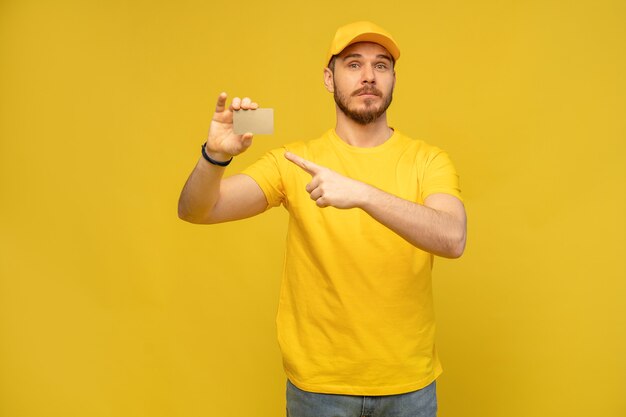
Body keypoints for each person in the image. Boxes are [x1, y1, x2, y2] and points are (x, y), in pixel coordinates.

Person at [178, 21, 466, 417]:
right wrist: (215, 156)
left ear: (394, 79)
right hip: (319, 390)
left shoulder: (428, 160)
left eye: (381, 66)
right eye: (353, 64)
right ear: (329, 79)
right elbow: (197, 210)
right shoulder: (294, 162)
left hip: (410, 387)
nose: (368, 76)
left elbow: (452, 238)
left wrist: (362, 194)